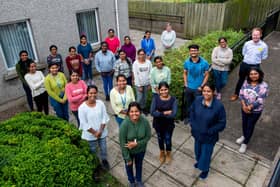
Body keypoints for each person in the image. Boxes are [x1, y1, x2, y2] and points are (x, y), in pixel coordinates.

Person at [190, 84, 226, 179]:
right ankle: (199, 162)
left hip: (209, 137)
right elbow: (192, 112)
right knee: (198, 151)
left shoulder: (218, 106)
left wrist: (210, 131)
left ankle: (205, 170)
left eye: (208, 91)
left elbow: (222, 123)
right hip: (197, 134)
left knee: (206, 155)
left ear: (213, 92)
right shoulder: (198, 100)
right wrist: (193, 125)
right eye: (204, 91)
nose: (206, 93)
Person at [230, 27, 268, 101]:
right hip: (245, 65)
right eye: (254, 35)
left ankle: (248, 96)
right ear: (252, 35)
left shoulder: (264, 46)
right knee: (241, 79)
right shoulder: (247, 43)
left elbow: (264, 57)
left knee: (252, 81)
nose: (255, 36)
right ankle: (236, 94)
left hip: (255, 66)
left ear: (261, 35)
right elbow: (244, 53)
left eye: (257, 35)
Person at [236, 67, 268, 153]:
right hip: (244, 107)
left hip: (255, 111)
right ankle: (244, 136)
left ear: (259, 74)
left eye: (255, 74)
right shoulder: (246, 82)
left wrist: (249, 107)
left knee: (250, 125)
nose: (253, 76)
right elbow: (241, 94)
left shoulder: (263, 86)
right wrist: (243, 105)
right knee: (244, 123)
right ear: (249, 75)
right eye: (251, 74)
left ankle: (245, 143)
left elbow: (260, 100)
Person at [119, 102, 151, 187]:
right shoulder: (124, 125)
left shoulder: (145, 121)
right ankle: (131, 181)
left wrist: (137, 144)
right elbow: (122, 143)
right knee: (129, 166)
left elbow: (148, 136)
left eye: (136, 111)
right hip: (128, 151)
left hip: (141, 150)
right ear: (128, 113)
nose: (134, 113)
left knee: (139, 165)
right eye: (131, 111)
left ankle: (139, 180)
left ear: (140, 111)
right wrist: (127, 157)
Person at [78, 85, 110, 170]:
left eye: (95, 93)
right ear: (87, 94)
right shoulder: (82, 108)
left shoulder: (101, 103)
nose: (93, 95)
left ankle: (104, 160)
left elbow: (104, 117)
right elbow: (84, 123)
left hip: (101, 132)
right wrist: (95, 133)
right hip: (90, 135)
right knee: (93, 150)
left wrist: (100, 131)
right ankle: (96, 164)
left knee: (103, 148)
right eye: (91, 93)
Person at [150, 82, 177, 164]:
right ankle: (162, 152)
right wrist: (165, 113)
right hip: (158, 124)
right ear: (159, 90)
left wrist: (159, 113)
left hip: (168, 124)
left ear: (168, 89)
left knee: (168, 139)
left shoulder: (173, 100)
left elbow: (173, 115)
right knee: (160, 138)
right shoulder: (156, 99)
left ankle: (168, 153)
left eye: (165, 89)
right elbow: (152, 112)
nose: (164, 91)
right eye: (162, 90)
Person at [183, 44, 209, 124]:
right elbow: (184, 73)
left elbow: (207, 75)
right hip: (189, 88)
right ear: (189, 52)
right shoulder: (187, 62)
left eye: (195, 50)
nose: (193, 52)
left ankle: (196, 119)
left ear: (198, 51)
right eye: (191, 50)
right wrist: (186, 84)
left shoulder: (204, 63)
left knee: (198, 105)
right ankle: (188, 117)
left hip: (198, 88)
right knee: (188, 103)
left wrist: (202, 86)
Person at [132, 49, 152, 114]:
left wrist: (149, 83)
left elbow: (150, 73)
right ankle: (136, 109)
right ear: (138, 55)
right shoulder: (135, 63)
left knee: (145, 97)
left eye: (143, 54)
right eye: (140, 54)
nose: (142, 56)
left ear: (145, 55)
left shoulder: (148, 62)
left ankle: (143, 108)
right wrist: (139, 85)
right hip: (139, 84)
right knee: (139, 98)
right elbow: (135, 75)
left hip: (146, 84)